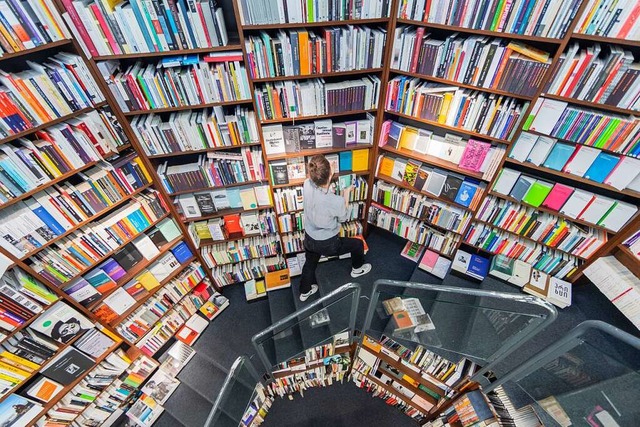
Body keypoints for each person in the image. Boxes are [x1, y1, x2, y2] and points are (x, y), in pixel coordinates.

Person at [300, 155, 371, 301]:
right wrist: (345, 194)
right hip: (328, 243)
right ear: (328, 175)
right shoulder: (335, 201)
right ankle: (357, 269)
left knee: (310, 263)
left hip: (309, 238)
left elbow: (320, 186)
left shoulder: (307, 184)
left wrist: (329, 173)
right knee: (357, 244)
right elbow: (343, 217)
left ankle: (304, 291)